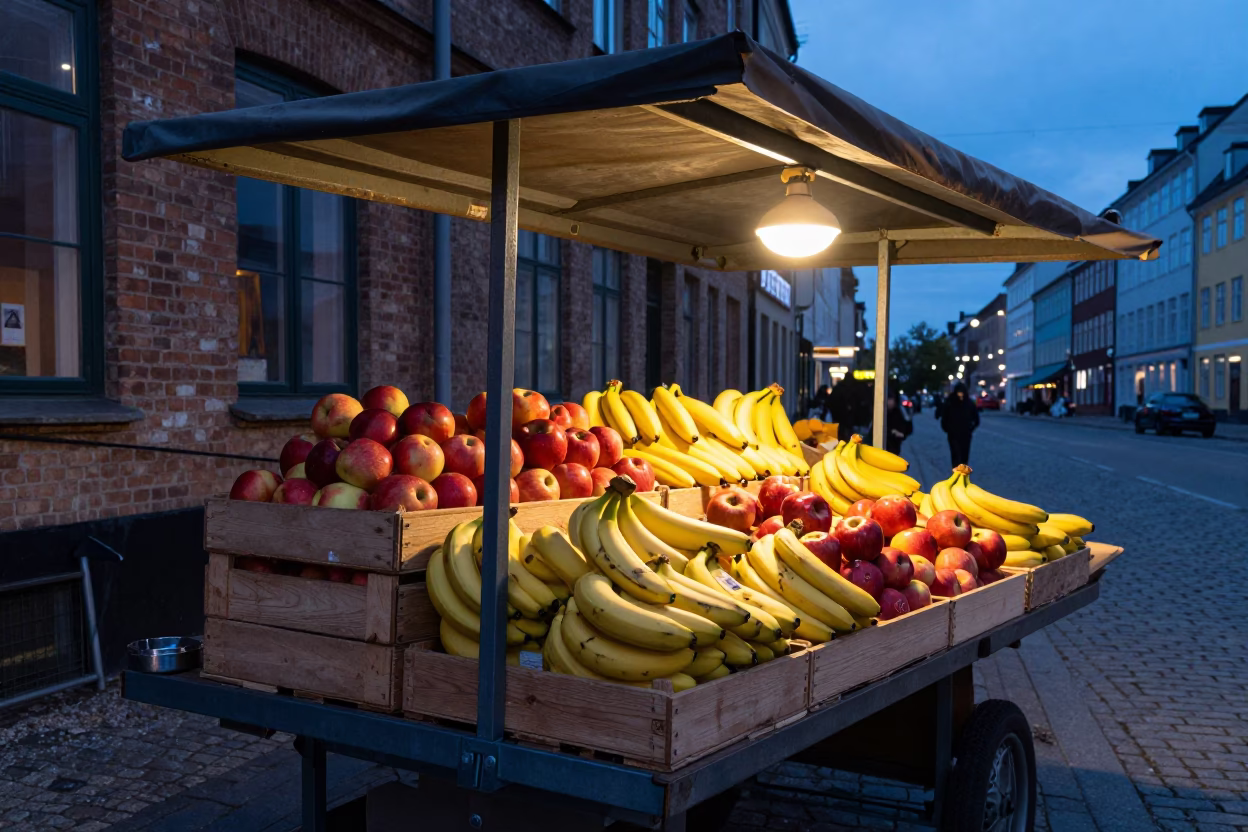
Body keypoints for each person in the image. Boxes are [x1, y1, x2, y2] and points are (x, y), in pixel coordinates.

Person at [940, 382, 980, 468]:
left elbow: (976, 419)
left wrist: (970, 429)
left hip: (962, 433)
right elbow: (944, 417)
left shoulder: (966, 403)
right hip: (956, 433)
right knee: (958, 455)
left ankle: (960, 473)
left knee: (960, 456)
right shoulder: (952, 402)